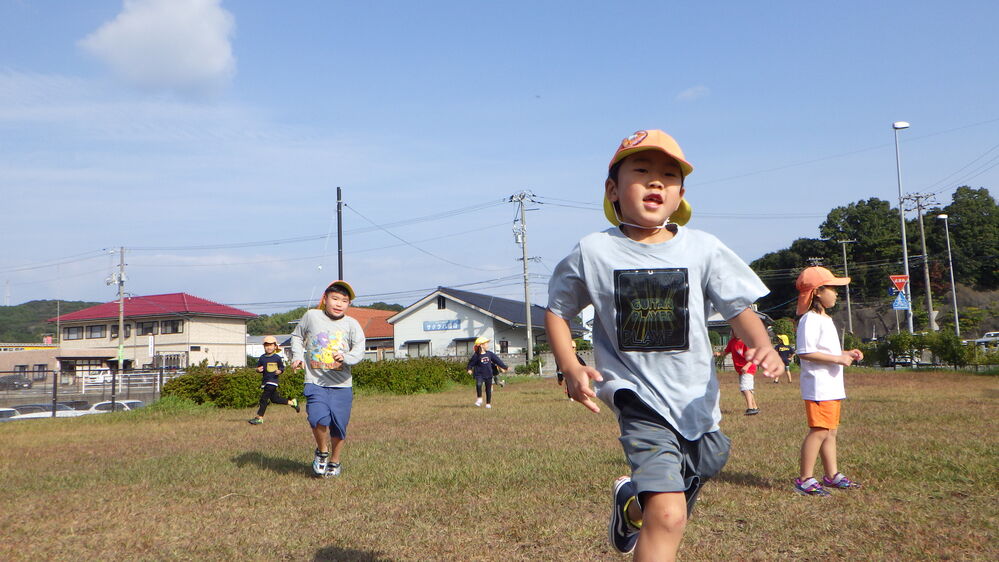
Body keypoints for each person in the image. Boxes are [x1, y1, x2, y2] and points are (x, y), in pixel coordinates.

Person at [546, 129, 784, 560]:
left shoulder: (704, 249)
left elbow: (738, 308)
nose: (656, 182)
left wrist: (762, 344)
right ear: (612, 189)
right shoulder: (594, 252)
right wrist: (570, 364)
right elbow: (557, 310)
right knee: (670, 515)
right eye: (642, 171)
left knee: (707, 461)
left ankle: (632, 504)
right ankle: (649, 509)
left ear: (680, 195)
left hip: (695, 396)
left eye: (669, 176)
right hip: (636, 396)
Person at [793, 266, 864, 496]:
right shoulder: (809, 320)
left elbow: (826, 350)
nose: (836, 293)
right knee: (819, 431)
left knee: (830, 431)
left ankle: (832, 475)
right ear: (817, 292)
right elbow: (805, 352)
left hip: (831, 385)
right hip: (818, 386)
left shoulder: (825, 319)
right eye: (832, 288)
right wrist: (838, 358)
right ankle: (804, 479)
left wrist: (846, 353)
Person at [291, 280, 366, 478]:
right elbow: (297, 336)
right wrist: (297, 357)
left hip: (341, 384)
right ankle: (322, 452)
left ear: (348, 304)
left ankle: (335, 460)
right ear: (325, 299)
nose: (339, 304)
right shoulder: (312, 316)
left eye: (344, 300)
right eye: (335, 299)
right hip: (315, 380)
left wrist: (347, 357)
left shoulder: (352, 324)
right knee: (318, 418)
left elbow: (359, 349)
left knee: (339, 425)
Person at [248, 335, 300, 425]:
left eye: (271, 345)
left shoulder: (277, 358)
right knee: (275, 399)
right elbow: (259, 368)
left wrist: (280, 371)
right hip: (265, 381)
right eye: (267, 345)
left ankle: (259, 417)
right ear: (264, 347)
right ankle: (292, 402)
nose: (269, 347)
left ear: (275, 346)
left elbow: (282, 367)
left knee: (263, 399)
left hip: (273, 382)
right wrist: (258, 370)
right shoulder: (262, 358)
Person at [714, 335, 760, 415]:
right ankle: (755, 407)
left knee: (745, 388)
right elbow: (726, 351)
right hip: (741, 370)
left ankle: (750, 408)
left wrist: (747, 366)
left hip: (748, 368)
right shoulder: (732, 342)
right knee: (747, 389)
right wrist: (718, 354)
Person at [466, 336, 508, 409]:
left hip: (488, 374)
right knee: (478, 384)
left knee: (488, 389)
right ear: (481, 345)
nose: (487, 345)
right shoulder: (476, 355)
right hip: (479, 374)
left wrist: (504, 367)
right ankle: (479, 399)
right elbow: (471, 363)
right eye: (486, 344)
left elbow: (497, 361)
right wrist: (469, 369)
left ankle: (488, 403)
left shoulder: (490, 354)